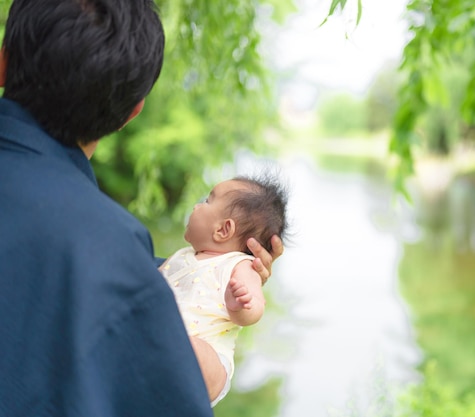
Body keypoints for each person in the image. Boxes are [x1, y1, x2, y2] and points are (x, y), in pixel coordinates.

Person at [0, 1, 282, 416]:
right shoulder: (107, 244)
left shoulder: (107, 250)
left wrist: (209, 269)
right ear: (131, 113)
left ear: (3, 63)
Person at [159, 174, 289, 407]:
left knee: (188, 349)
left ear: (223, 230)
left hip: (208, 355)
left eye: (207, 202)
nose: (197, 206)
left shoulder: (238, 265)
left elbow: (256, 307)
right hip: (162, 343)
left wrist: (239, 304)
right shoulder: (182, 256)